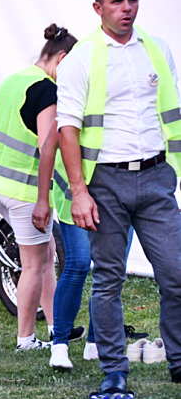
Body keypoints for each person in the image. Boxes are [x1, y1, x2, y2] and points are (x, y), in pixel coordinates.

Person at [57, 0, 181, 399]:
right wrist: (79, 191)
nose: (127, 8)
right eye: (117, 2)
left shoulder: (157, 49)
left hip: (156, 178)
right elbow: (66, 129)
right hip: (105, 181)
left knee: (176, 274)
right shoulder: (81, 58)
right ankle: (114, 371)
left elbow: (170, 111)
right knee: (108, 280)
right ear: (98, 8)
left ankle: (179, 364)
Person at [0, 25, 78, 351]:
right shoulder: (48, 90)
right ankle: (26, 339)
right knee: (33, 264)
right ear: (61, 59)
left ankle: (56, 327)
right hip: (23, 188)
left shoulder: (15, 79)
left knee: (46, 255)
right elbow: (49, 146)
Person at [34, 128, 136, 369]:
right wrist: (42, 199)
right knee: (79, 263)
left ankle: (94, 342)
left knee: (111, 269)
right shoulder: (79, 92)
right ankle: (59, 344)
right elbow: (49, 146)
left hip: (120, 191)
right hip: (74, 191)